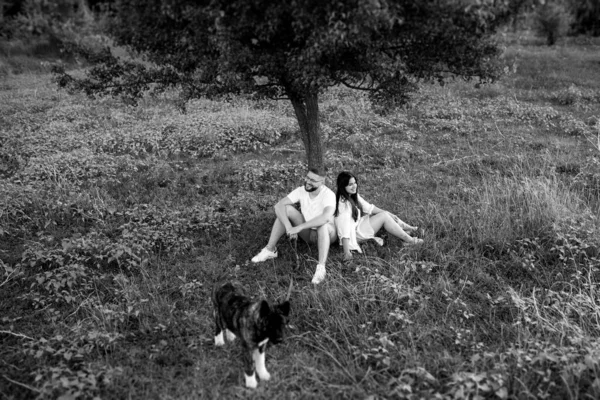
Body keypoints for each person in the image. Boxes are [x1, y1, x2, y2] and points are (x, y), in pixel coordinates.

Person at [251, 168, 337, 284]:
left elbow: (325, 217)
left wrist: (299, 228)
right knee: (285, 210)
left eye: (313, 180)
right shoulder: (301, 190)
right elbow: (278, 206)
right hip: (308, 232)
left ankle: (321, 267)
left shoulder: (328, 195)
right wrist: (289, 227)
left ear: (322, 182)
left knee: (322, 225)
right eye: (307, 177)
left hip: (327, 234)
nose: (308, 181)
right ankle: (270, 249)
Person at [334, 171, 423, 261]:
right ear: (343, 186)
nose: (354, 186)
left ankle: (407, 228)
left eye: (355, 183)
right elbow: (344, 230)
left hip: (358, 226)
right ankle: (410, 240)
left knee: (385, 214)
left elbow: (369, 208)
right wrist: (346, 252)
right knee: (384, 216)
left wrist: (389, 213)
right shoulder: (343, 206)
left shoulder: (352, 195)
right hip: (355, 234)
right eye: (350, 185)